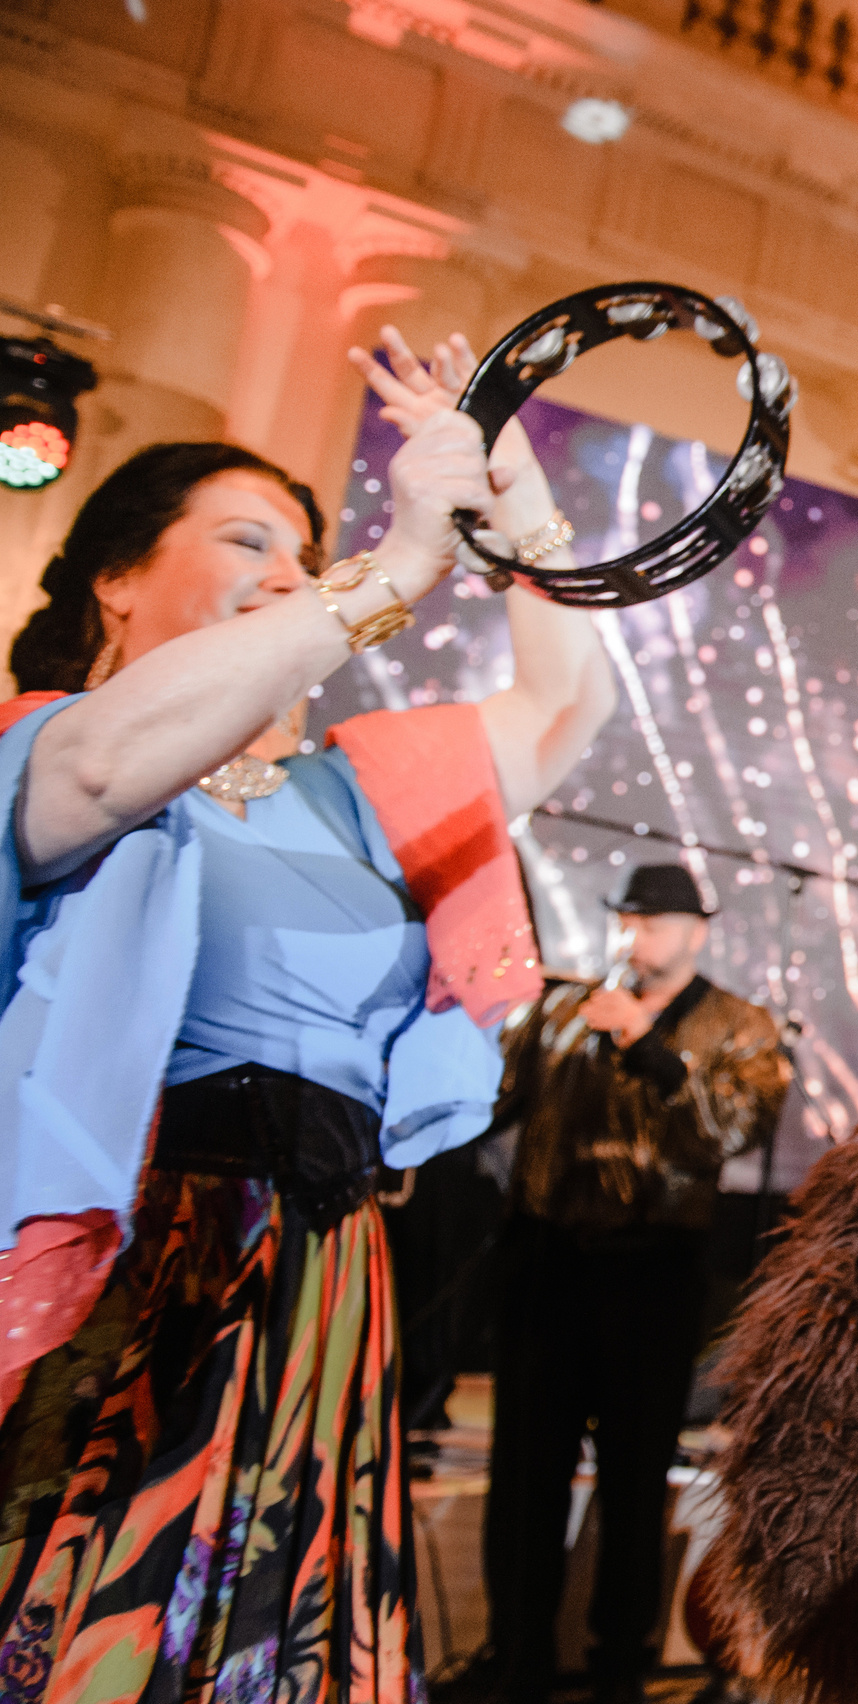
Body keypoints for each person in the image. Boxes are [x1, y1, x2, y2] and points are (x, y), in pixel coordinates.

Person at [0, 329, 614, 1695]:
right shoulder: (47, 740)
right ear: (115, 582)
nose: (287, 571)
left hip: (324, 1269)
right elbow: (104, 767)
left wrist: (513, 496)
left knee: (278, 1634)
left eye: (303, 548)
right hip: (136, 1261)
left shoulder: (356, 782)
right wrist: (392, 571)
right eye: (242, 542)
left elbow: (566, 703)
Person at [462, 862, 791, 1704]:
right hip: (546, 1261)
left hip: (651, 1272)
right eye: (625, 921)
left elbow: (729, 1131)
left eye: (650, 922)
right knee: (526, 1471)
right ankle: (518, 1655)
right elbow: (496, 1099)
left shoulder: (737, 1025)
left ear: (694, 932)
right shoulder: (566, 1013)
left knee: (635, 1476)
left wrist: (647, 1049)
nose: (632, 937)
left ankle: (620, 1664)